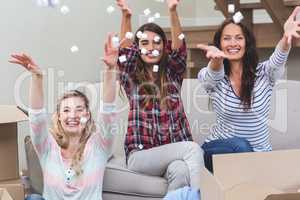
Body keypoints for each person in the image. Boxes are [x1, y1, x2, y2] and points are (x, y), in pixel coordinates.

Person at [9, 34, 122, 200]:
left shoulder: (99, 147)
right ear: (59, 117)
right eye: (67, 110)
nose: (73, 115)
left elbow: (108, 111)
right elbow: (36, 117)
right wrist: (37, 77)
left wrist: (111, 70)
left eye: (79, 109)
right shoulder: (47, 148)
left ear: (87, 115)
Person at [197, 6, 300, 172]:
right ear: (219, 44)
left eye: (238, 38)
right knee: (241, 145)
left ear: (247, 43)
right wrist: (216, 61)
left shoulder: (264, 73)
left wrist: (285, 38)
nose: (233, 43)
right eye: (227, 39)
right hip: (216, 151)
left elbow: (277, 59)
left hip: (257, 156)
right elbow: (213, 75)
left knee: (249, 154)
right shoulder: (211, 77)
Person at [115, 0, 204, 191]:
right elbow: (125, 53)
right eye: (144, 43)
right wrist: (127, 17)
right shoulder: (132, 78)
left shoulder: (172, 75)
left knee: (180, 170)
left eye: (157, 42)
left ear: (164, 46)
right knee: (192, 148)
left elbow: (180, 51)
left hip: (171, 154)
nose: (151, 47)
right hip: (140, 156)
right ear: (138, 48)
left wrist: (172, 11)